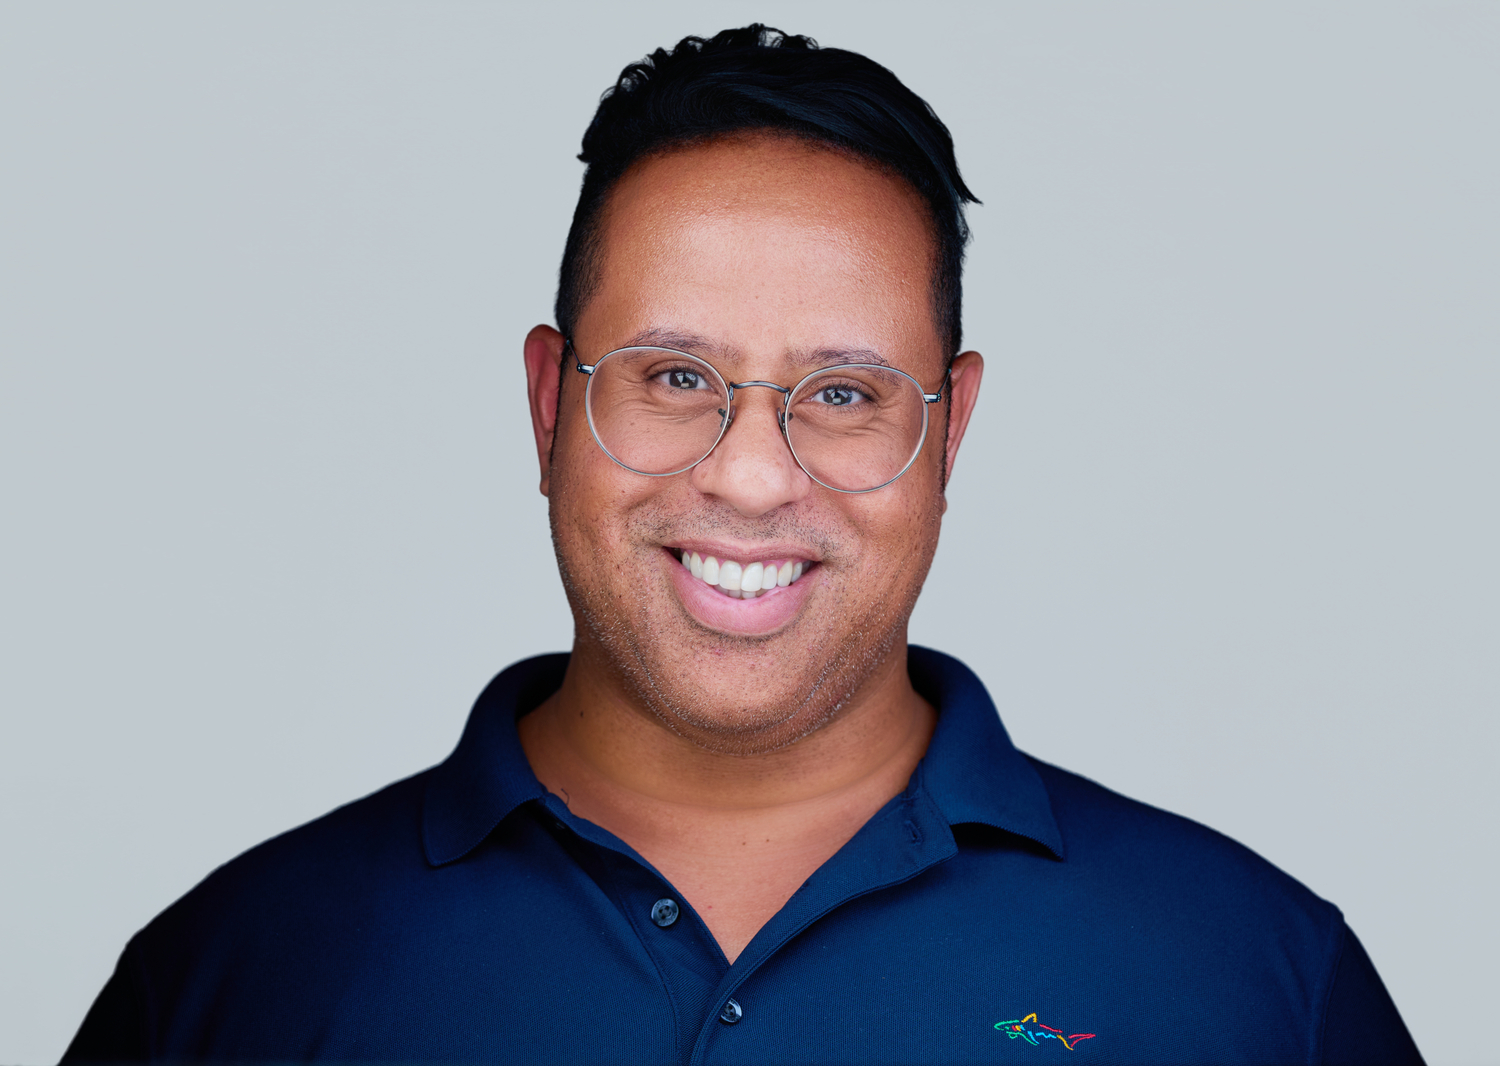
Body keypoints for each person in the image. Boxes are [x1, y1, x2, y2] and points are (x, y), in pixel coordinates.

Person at [64, 25, 1421, 1065]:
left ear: (949, 435)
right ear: (548, 406)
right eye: (672, 377)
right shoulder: (234, 978)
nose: (754, 475)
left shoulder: (1252, 978)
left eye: (845, 394)